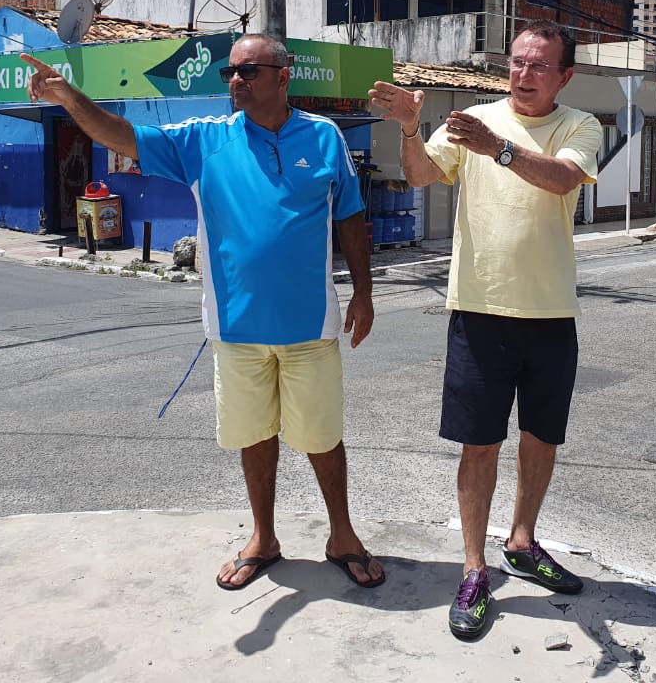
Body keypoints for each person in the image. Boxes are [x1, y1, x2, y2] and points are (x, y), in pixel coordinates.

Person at [21, 33, 385, 591]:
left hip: (311, 326)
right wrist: (71, 99)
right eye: (230, 72)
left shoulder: (324, 136)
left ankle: (342, 535)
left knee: (322, 437)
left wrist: (363, 292)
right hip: (235, 329)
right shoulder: (203, 140)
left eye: (249, 71)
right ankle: (263, 538)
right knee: (254, 434)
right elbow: (124, 136)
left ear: (283, 76)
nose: (236, 81)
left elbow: (351, 217)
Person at [368, 20, 603, 639]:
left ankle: (522, 542)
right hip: (478, 311)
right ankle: (474, 568)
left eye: (539, 65)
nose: (523, 74)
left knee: (541, 439)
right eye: (517, 62)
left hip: (550, 315)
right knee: (479, 445)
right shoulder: (472, 118)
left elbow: (562, 179)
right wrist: (411, 127)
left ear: (565, 76)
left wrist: (497, 149)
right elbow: (420, 175)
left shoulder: (580, 125)